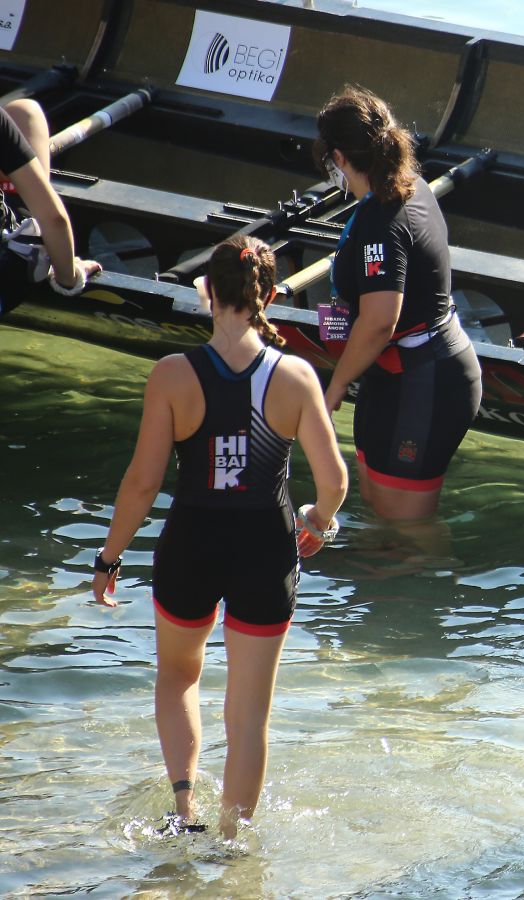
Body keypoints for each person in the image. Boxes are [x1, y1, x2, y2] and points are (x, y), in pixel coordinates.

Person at [91, 235, 347, 838]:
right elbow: (334, 481)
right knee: (249, 716)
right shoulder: (296, 376)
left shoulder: (172, 375)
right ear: (271, 296)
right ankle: (231, 845)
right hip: (266, 549)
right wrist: (317, 522)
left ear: (206, 292)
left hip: (192, 545)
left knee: (179, 675)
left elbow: (141, 483)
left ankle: (185, 813)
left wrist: (109, 559)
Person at [313, 86, 481, 521]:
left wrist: (335, 386)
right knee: (377, 511)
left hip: (425, 379)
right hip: (390, 375)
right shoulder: (403, 187)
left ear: (338, 157)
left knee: (405, 531)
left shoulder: (382, 221)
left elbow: (379, 321)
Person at [0, 98, 101, 310]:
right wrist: (69, 278)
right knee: (26, 111)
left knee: (21, 112)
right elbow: (54, 219)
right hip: (7, 270)